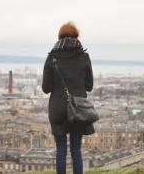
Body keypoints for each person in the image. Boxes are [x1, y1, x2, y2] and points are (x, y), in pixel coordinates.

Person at [42, 21, 95, 174]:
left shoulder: (52, 57)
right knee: (76, 149)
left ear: (59, 37)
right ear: (76, 37)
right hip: (78, 109)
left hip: (57, 108)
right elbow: (89, 86)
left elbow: (46, 88)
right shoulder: (84, 57)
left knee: (60, 149)